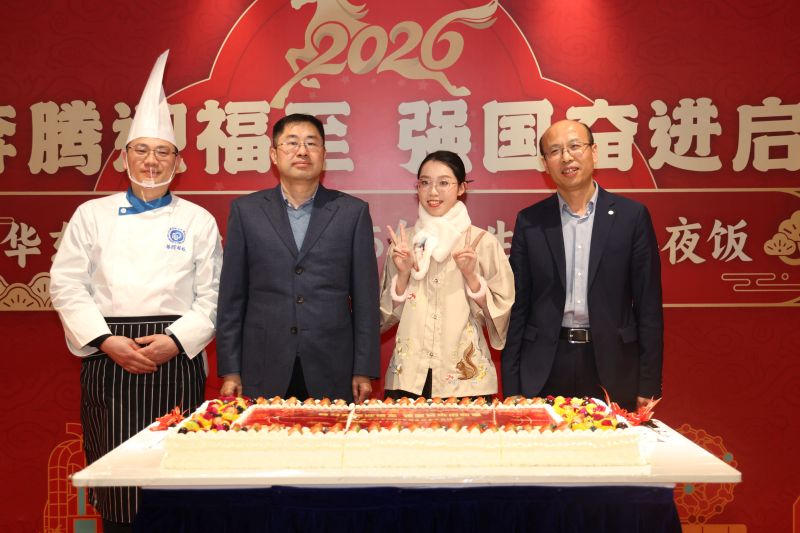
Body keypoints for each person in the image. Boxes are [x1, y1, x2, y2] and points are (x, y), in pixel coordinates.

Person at [49, 51, 222, 533]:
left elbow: (213, 296)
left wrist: (175, 341)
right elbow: (66, 284)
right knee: (118, 480)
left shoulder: (197, 220)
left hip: (175, 356)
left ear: (179, 162)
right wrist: (106, 341)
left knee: (174, 476)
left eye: (162, 152)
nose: (151, 160)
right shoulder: (92, 215)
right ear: (124, 158)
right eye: (141, 150)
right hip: (110, 357)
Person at [216, 113, 380, 403]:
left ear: (324, 155)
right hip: (263, 361)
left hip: (332, 364)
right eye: (292, 143)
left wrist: (363, 369)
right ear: (274, 155)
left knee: (329, 434)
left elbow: (365, 299)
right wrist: (230, 370)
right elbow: (232, 297)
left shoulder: (352, 212)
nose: (302, 151)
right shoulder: (246, 211)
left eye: (311, 143)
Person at [501, 120, 663, 411]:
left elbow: (648, 306)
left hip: (612, 366)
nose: (566, 157)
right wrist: (512, 386)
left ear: (594, 153)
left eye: (575, 146)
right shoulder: (531, 221)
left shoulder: (631, 217)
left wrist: (649, 384)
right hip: (545, 365)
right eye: (555, 151)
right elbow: (519, 306)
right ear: (544, 163)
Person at [380, 150, 514, 400]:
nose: (433, 192)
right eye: (425, 182)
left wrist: (472, 277)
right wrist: (403, 275)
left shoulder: (482, 242)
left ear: (462, 188)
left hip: (465, 380)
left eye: (443, 183)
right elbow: (383, 317)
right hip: (408, 378)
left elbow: (502, 313)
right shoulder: (404, 244)